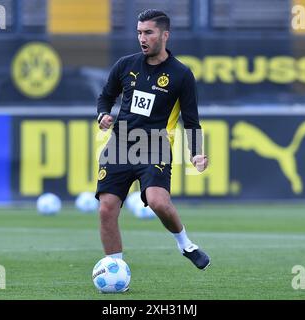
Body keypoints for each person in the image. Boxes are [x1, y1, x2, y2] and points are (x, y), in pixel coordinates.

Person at [95, 9, 210, 271]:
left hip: (155, 146)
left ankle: (185, 245)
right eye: (139, 33)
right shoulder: (125, 65)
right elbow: (105, 97)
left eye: (148, 32)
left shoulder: (181, 74)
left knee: (158, 201)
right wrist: (102, 114)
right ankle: (116, 270)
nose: (142, 38)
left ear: (164, 35)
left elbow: (191, 120)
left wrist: (197, 152)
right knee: (106, 209)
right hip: (120, 145)